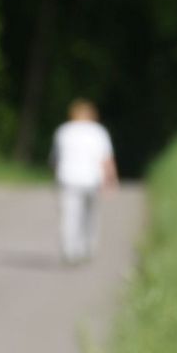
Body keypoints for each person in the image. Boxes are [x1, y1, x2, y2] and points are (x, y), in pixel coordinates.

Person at [51, 100, 117, 263]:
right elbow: (106, 159)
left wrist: (55, 175)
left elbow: (55, 159)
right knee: (90, 215)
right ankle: (87, 247)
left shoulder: (63, 131)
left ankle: (69, 249)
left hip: (68, 178)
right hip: (92, 179)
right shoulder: (98, 132)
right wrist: (112, 180)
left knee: (69, 216)